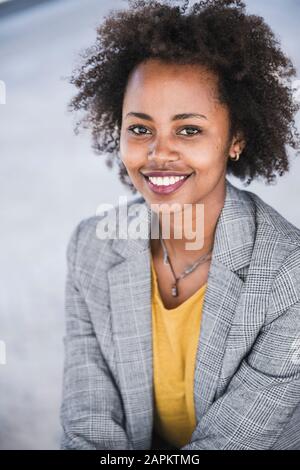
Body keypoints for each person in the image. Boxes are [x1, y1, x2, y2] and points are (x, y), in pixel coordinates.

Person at [60, 0, 300, 450]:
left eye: (189, 130)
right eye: (140, 129)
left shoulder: (291, 276)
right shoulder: (90, 248)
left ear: (236, 139)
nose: (159, 154)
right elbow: (88, 413)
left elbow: (234, 441)